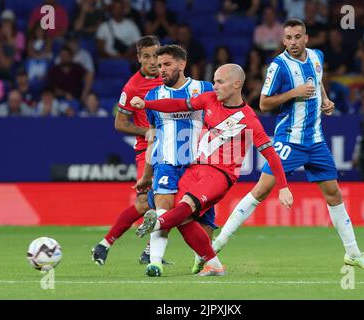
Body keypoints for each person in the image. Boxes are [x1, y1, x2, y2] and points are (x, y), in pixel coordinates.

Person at [210, 19, 364, 270]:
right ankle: (214, 247)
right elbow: (264, 103)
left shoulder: (317, 56)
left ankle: (353, 252)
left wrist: (325, 99)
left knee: (333, 193)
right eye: (288, 38)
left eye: (297, 37)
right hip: (289, 139)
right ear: (283, 40)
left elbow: (318, 78)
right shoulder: (278, 66)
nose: (293, 43)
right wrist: (294, 92)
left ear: (306, 38)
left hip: (316, 140)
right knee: (262, 190)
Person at [131, 63, 293, 276]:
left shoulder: (249, 119)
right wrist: (147, 104)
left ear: (236, 84)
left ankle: (157, 223)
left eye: (219, 82)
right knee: (181, 217)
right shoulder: (209, 100)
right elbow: (178, 104)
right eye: (214, 81)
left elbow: (271, 155)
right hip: (196, 168)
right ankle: (214, 265)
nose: (214, 86)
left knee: (185, 206)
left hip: (220, 174)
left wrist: (283, 187)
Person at [132, 44, 217, 277]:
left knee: (205, 222)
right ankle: (155, 262)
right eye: (159, 66)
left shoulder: (204, 89)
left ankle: (203, 259)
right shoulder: (153, 96)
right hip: (166, 162)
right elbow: (153, 136)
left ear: (182, 64)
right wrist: (146, 175)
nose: (162, 70)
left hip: (200, 166)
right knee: (163, 208)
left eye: (167, 64)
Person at [91, 36, 164, 266]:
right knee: (145, 203)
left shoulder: (169, 75)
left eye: (155, 55)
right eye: (146, 56)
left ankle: (150, 252)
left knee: (167, 201)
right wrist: (146, 131)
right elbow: (120, 123)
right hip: (147, 149)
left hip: (174, 148)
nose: (152, 61)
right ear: (138, 58)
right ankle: (104, 244)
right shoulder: (133, 87)